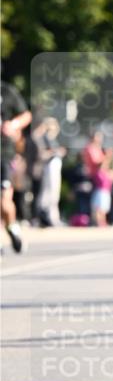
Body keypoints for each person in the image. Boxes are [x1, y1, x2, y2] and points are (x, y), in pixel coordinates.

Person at [1, 78, 32, 253]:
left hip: (3, 153)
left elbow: (26, 114)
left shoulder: (6, 91)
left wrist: (13, 124)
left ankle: (12, 227)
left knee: (5, 201)